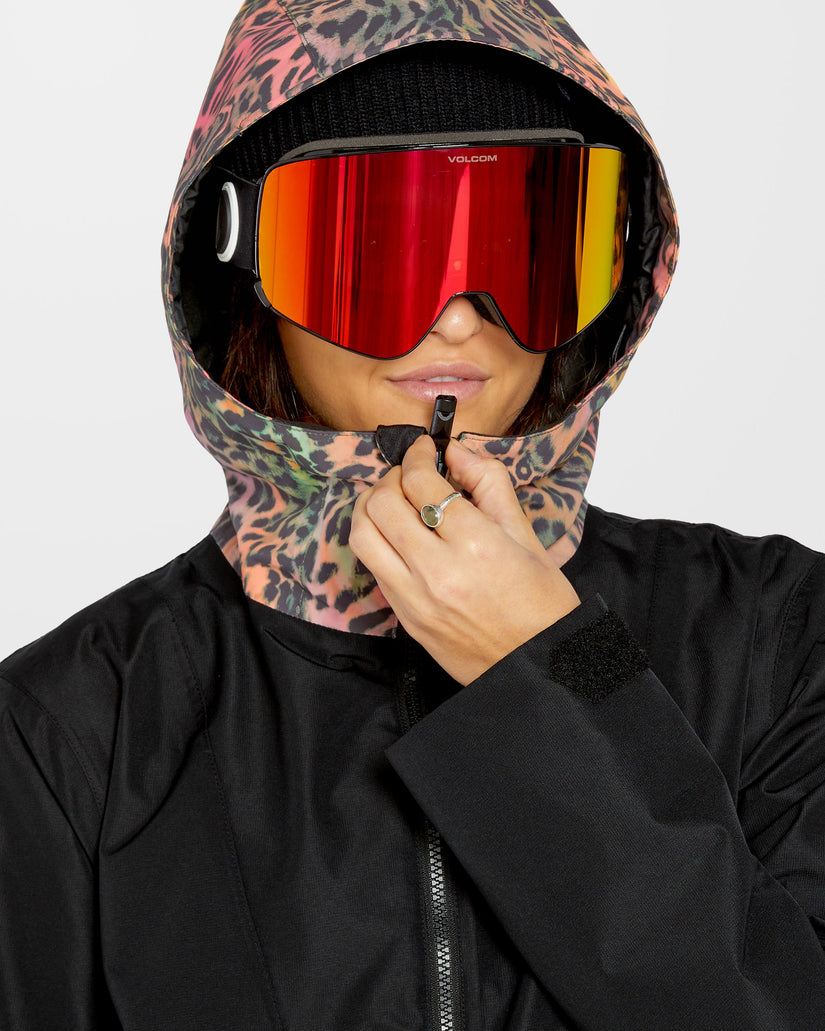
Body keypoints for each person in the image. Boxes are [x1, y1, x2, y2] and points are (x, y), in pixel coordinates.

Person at [1, 1, 823, 1029]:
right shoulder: (70, 730)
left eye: (525, 242)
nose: (459, 316)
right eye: (376, 245)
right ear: (241, 268)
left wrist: (557, 672)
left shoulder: (777, 637)